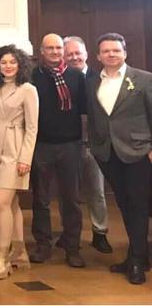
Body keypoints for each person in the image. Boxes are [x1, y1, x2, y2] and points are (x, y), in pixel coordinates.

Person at [86, 33, 152, 285]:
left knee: (138, 204)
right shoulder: (93, 82)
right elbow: (95, 117)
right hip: (107, 153)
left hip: (138, 152)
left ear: (124, 53)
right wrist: (95, 145)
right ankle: (138, 254)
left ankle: (136, 261)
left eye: (115, 50)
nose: (111, 54)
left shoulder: (144, 80)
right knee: (124, 204)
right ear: (98, 56)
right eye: (106, 51)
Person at [28, 33, 88, 268]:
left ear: (63, 50)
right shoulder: (33, 76)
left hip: (71, 144)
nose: (54, 52)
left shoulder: (75, 76)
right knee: (40, 199)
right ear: (41, 51)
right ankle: (43, 245)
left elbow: (84, 109)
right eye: (49, 48)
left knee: (72, 199)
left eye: (58, 48)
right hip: (41, 145)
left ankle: (73, 247)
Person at [0, 45, 38, 280]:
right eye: (4, 62)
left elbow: (32, 128)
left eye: (12, 62)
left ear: (21, 65)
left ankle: (2, 257)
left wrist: (25, 158)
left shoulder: (28, 90)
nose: (8, 66)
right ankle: (20, 251)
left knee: (1, 202)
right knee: (12, 203)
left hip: (15, 153)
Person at [63, 35, 111, 253]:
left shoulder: (99, 78)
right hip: (70, 143)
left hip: (94, 143)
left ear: (86, 54)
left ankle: (99, 232)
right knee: (69, 192)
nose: (74, 57)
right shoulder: (61, 78)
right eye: (69, 54)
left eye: (77, 53)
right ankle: (69, 233)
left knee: (96, 190)